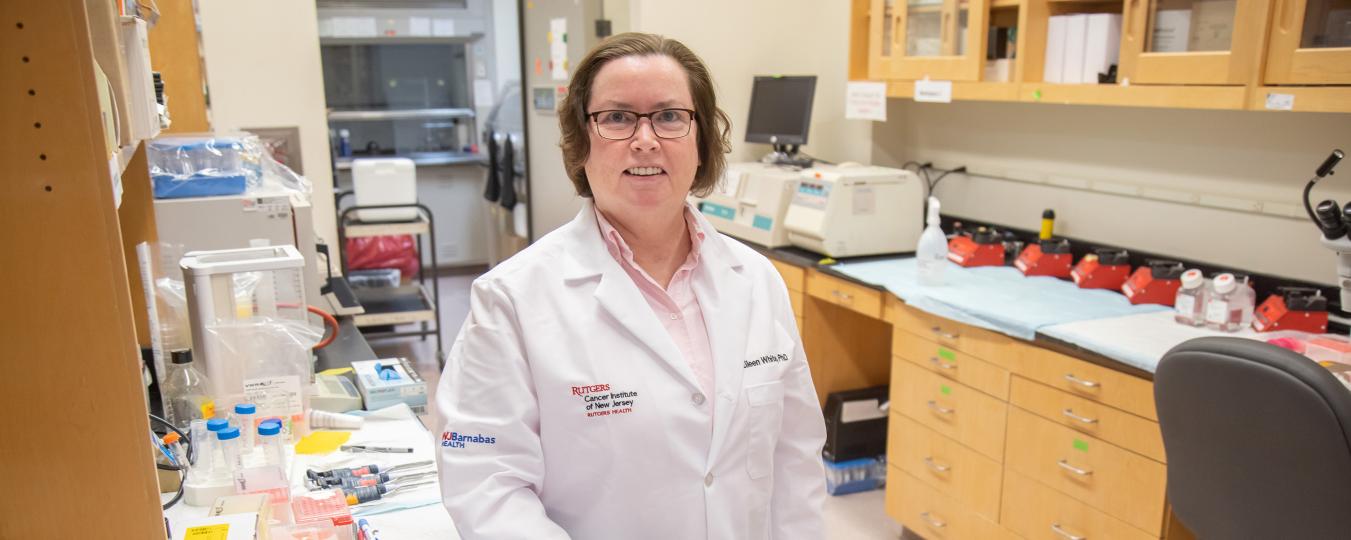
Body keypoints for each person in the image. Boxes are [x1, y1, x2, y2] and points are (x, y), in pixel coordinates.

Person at [435, 32, 826, 539]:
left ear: (700, 140)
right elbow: (487, 486)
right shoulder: (512, 298)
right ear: (582, 143)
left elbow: (794, 460)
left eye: (669, 116)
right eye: (618, 117)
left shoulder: (755, 281)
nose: (645, 140)